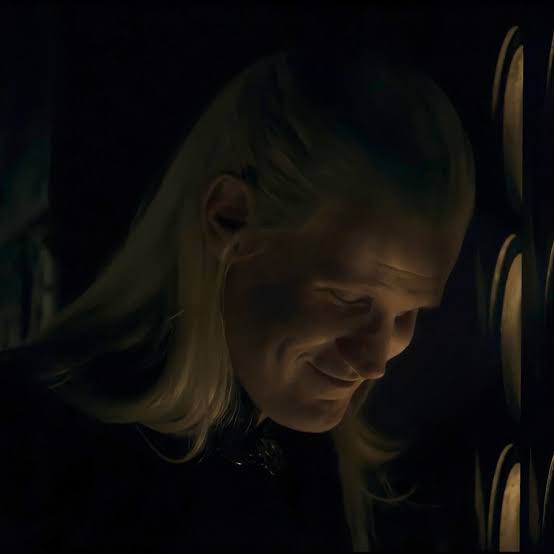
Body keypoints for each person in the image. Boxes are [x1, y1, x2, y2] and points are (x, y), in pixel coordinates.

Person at [0, 42, 475, 552]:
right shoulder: (33, 453)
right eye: (348, 297)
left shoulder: (317, 472)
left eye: (407, 314)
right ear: (229, 219)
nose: (375, 360)